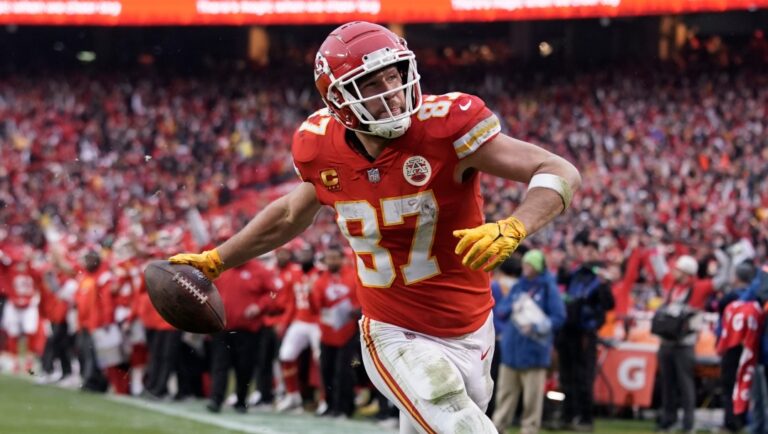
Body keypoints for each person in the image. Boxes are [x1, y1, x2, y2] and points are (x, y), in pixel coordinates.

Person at [169, 21, 580, 433]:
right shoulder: (320, 148)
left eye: (394, 75)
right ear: (339, 99)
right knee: (461, 426)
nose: (392, 91)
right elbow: (291, 213)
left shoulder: (447, 127)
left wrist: (515, 227)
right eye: (371, 83)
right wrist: (218, 259)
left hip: (473, 326)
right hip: (392, 330)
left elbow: (557, 169)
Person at [492, 249, 565, 434]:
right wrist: (512, 306)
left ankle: (529, 430)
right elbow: (502, 309)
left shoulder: (548, 288)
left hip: (535, 351)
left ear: (537, 267)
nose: (525, 268)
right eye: (524, 264)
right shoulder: (519, 286)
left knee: (532, 400)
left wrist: (536, 327)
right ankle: (498, 428)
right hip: (512, 350)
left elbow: (558, 317)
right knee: (505, 395)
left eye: (529, 264)